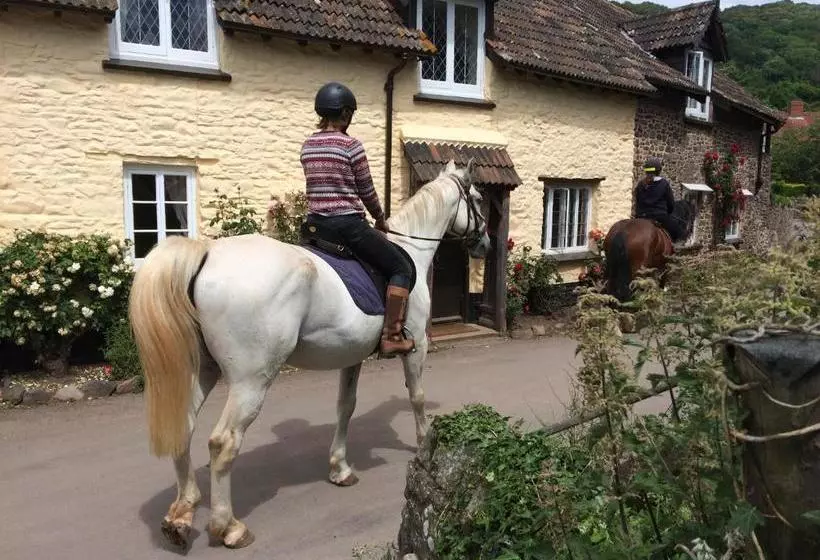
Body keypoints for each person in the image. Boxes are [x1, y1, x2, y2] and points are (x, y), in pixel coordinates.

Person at [300, 82, 415, 357]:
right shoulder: (351, 146)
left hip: (316, 228)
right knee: (401, 266)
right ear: (345, 113)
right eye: (349, 113)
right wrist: (380, 218)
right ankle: (392, 335)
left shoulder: (307, 146)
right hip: (347, 226)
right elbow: (366, 190)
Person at [634, 157, 684, 242]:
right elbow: (671, 204)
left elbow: (637, 201)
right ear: (658, 170)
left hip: (641, 216)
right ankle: (675, 249)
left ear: (646, 170)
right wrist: (668, 213)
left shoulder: (640, 184)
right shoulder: (664, 184)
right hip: (659, 216)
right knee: (677, 230)